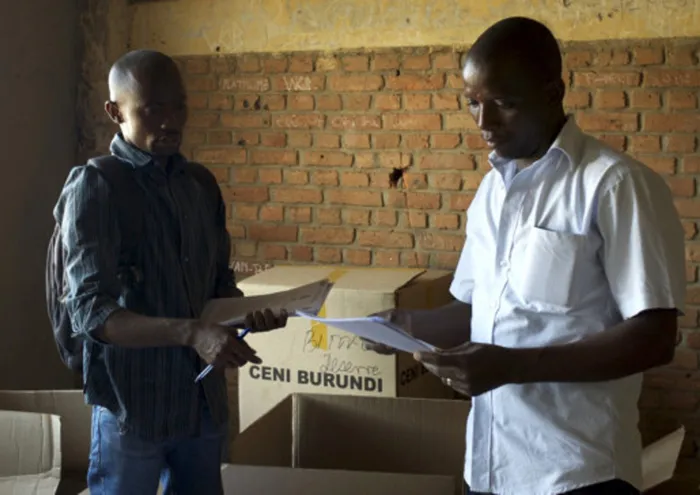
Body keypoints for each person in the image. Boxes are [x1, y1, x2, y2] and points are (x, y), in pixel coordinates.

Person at [364, 17, 685, 495]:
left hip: (579, 473)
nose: (484, 122)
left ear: (553, 92)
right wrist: (405, 326)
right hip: (491, 467)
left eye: (504, 104)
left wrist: (515, 366)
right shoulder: (492, 191)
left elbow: (655, 337)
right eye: (473, 103)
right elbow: (479, 310)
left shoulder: (614, 185)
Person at [54, 49, 287, 494]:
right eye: (152, 109)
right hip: (133, 407)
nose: (170, 121)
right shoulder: (98, 186)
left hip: (201, 402)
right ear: (115, 112)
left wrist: (248, 315)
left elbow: (218, 284)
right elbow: (89, 312)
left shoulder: (199, 185)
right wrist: (192, 333)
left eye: (178, 107)